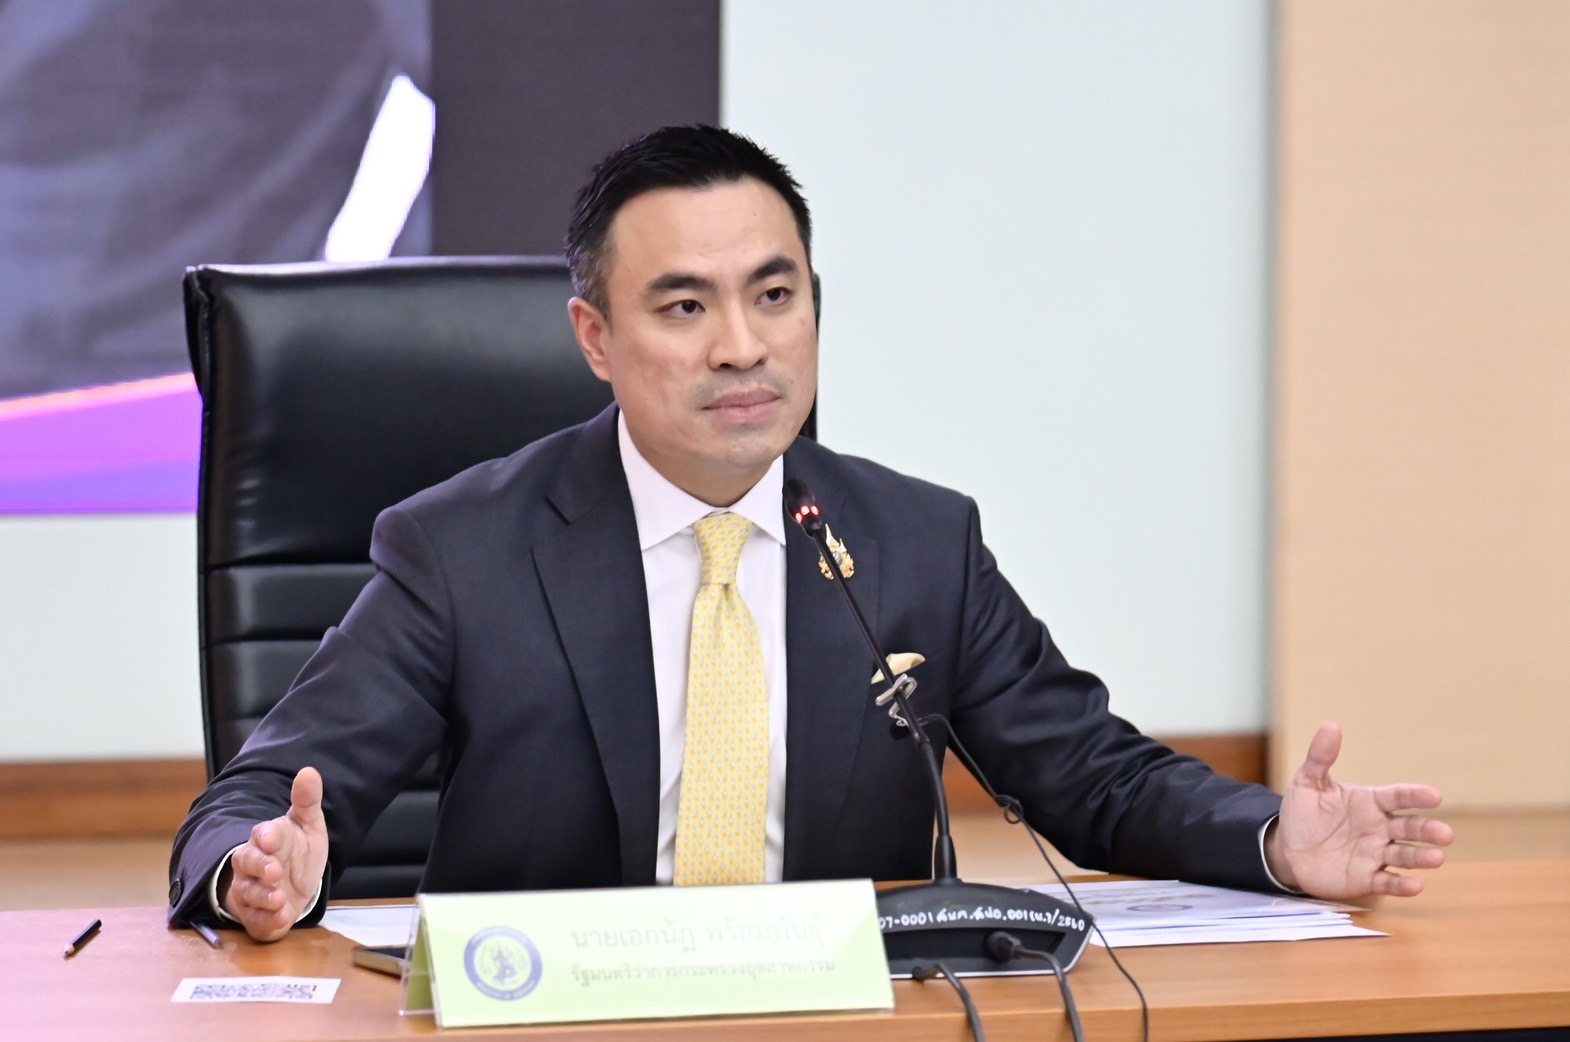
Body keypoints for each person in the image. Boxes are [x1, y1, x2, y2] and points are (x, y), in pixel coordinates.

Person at [169, 125, 1452, 943]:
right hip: (551, 1016)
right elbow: (252, 802)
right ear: (595, 338)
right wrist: (259, 870)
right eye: (684, 306)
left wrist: (1272, 840)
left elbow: (1092, 778)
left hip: (847, 1015)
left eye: (773, 294)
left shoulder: (915, 540)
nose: (742, 345)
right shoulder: (462, 549)